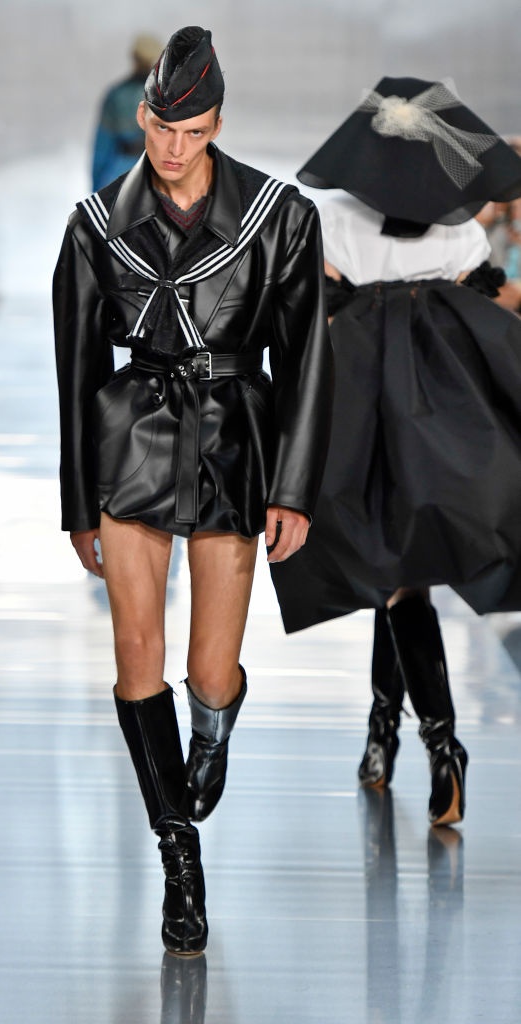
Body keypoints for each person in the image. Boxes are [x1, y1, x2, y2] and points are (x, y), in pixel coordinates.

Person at [53, 26, 333, 956]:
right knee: (137, 653)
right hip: (132, 434)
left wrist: (294, 489)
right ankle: (179, 859)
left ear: (217, 125)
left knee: (210, 671)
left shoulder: (278, 217)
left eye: (194, 131)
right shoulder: (95, 226)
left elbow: (306, 362)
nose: (174, 148)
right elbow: (76, 371)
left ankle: (211, 730)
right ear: (142, 116)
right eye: (162, 127)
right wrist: (77, 506)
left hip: (232, 434)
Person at [270, 77, 521, 828]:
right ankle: (382, 735)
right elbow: (487, 299)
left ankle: (441, 745)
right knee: (401, 574)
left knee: (392, 577)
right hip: (446, 419)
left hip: (363, 418)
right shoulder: (460, 230)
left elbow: (313, 312)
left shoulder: (334, 221)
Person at [90, 32, 163, 191]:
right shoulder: (169, 96)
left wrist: (97, 189)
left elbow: (102, 146)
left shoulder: (116, 95)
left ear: (134, 58)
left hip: (119, 177)